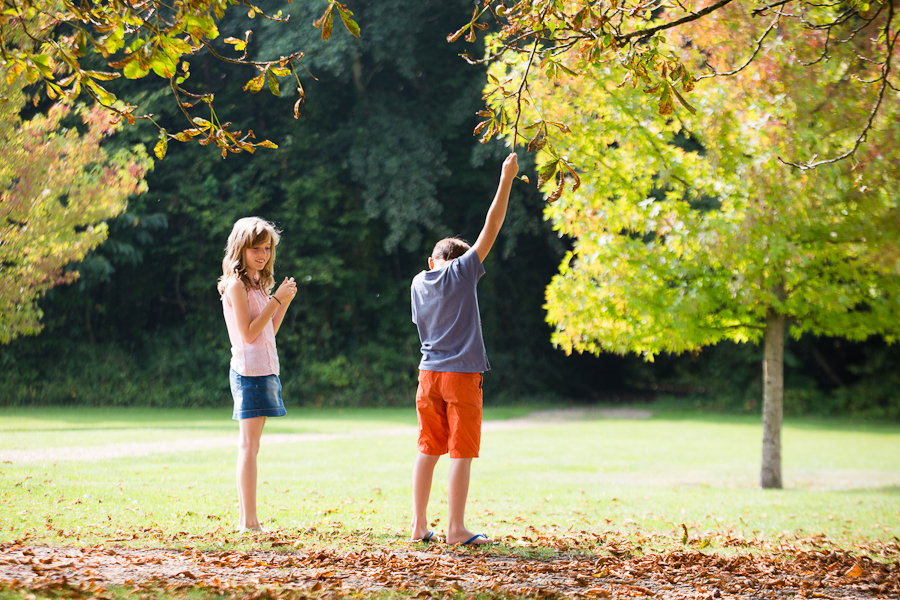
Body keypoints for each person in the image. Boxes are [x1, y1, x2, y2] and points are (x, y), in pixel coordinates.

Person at [409, 152, 519, 545]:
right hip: (460, 375)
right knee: (461, 451)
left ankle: (419, 524)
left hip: (428, 374)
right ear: (464, 264)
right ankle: (456, 529)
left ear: (431, 260)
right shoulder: (462, 273)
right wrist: (505, 179)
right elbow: (492, 227)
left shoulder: (419, 282)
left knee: (428, 448)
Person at [217, 216, 297, 533]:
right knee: (248, 446)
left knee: (253, 446)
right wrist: (276, 299)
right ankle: (247, 522)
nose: (262, 255)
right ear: (241, 249)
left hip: (266, 369)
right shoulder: (236, 286)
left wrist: (282, 303)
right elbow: (248, 334)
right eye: (256, 249)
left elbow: (268, 331)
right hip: (248, 372)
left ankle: (249, 520)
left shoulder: (257, 286)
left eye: (266, 248)